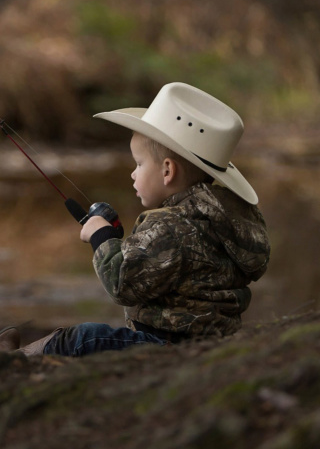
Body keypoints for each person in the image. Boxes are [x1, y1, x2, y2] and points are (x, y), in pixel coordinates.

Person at [0, 82, 270, 356]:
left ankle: (14, 360)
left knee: (80, 338)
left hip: (169, 345)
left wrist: (101, 236)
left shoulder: (170, 227)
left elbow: (122, 283)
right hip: (209, 341)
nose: (132, 173)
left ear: (167, 171)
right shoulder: (222, 220)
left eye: (138, 164)